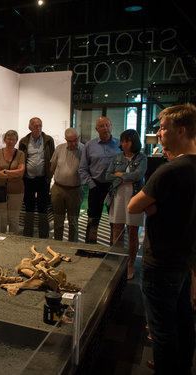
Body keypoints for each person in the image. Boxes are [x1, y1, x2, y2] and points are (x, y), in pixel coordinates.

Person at [128, 103, 196, 375]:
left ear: (181, 130)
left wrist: (153, 207)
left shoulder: (170, 170)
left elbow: (134, 205)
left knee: (162, 330)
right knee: (183, 322)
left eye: (164, 128)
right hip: (183, 261)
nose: (158, 133)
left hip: (161, 263)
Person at [105, 129, 147, 279]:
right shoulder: (117, 157)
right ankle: (118, 262)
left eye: (126, 141)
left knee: (133, 232)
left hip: (135, 198)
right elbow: (108, 175)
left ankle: (130, 264)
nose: (123, 144)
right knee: (117, 230)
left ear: (133, 142)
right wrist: (125, 177)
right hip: (118, 197)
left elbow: (138, 175)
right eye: (122, 141)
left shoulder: (142, 157)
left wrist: (120, 175)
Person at [79, 116, 120, 243]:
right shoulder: (89, 146)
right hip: (96, 186)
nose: (105, 128)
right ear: (97, 129)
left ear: (111, 126)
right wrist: (91, 185)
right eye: (101, 126)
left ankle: (114, 250)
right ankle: (90, 249)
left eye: (107, 125)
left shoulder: (120, 144)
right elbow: (82, 168)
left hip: (114, 187)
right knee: (92, 220)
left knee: (115, 221)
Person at [18, 117, 55, 238]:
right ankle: (27, 233)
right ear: (30, 127)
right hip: (28, 179)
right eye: (35, 126)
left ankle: (43, 234)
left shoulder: (48, 140)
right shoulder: (24, 141)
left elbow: (52, 159)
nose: (38, 128)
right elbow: (21, 159)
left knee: (43, 207)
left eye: (40, 125)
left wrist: (50, 175)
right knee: (29, 207)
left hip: (43, 179)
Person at [50, 128, 83, 242]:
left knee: (73, 220)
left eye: (75, 140)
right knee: (58, 219)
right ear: (65, 140)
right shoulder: (59, 149)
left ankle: (72, 245)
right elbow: (52, 168)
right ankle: (58, 243)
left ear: (78, 138)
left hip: (75, 190)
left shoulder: (84, 150)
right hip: (58, 189)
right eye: (70, 141)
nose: (73, 143)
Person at [0, 130, 25, 234]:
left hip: (16, 191)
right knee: (1, 219)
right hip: (0, 190)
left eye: (13, 139)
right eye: (9, 139)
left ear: (16, 141)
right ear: (5, 139)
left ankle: (13, 242)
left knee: (13, 219)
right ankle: (0, 243)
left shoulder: (20, 154)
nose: (11, 141)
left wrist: (5, 172)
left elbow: (21, 172)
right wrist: (13, 173)